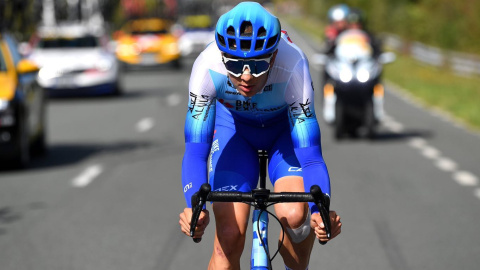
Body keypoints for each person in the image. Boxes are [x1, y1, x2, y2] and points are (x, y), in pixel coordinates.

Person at [178, 2, 342, 270]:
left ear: (274, 57)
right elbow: (196, 150)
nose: (245, 76)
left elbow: (311, 157)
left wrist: (319, 214)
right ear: (221, 56)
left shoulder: (294, 65)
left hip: (283, 134)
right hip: (235, 131)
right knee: (228, 238)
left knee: (295, 217)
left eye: (257, 65)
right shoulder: (206, 66)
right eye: (234, 64)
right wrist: (194, 208)